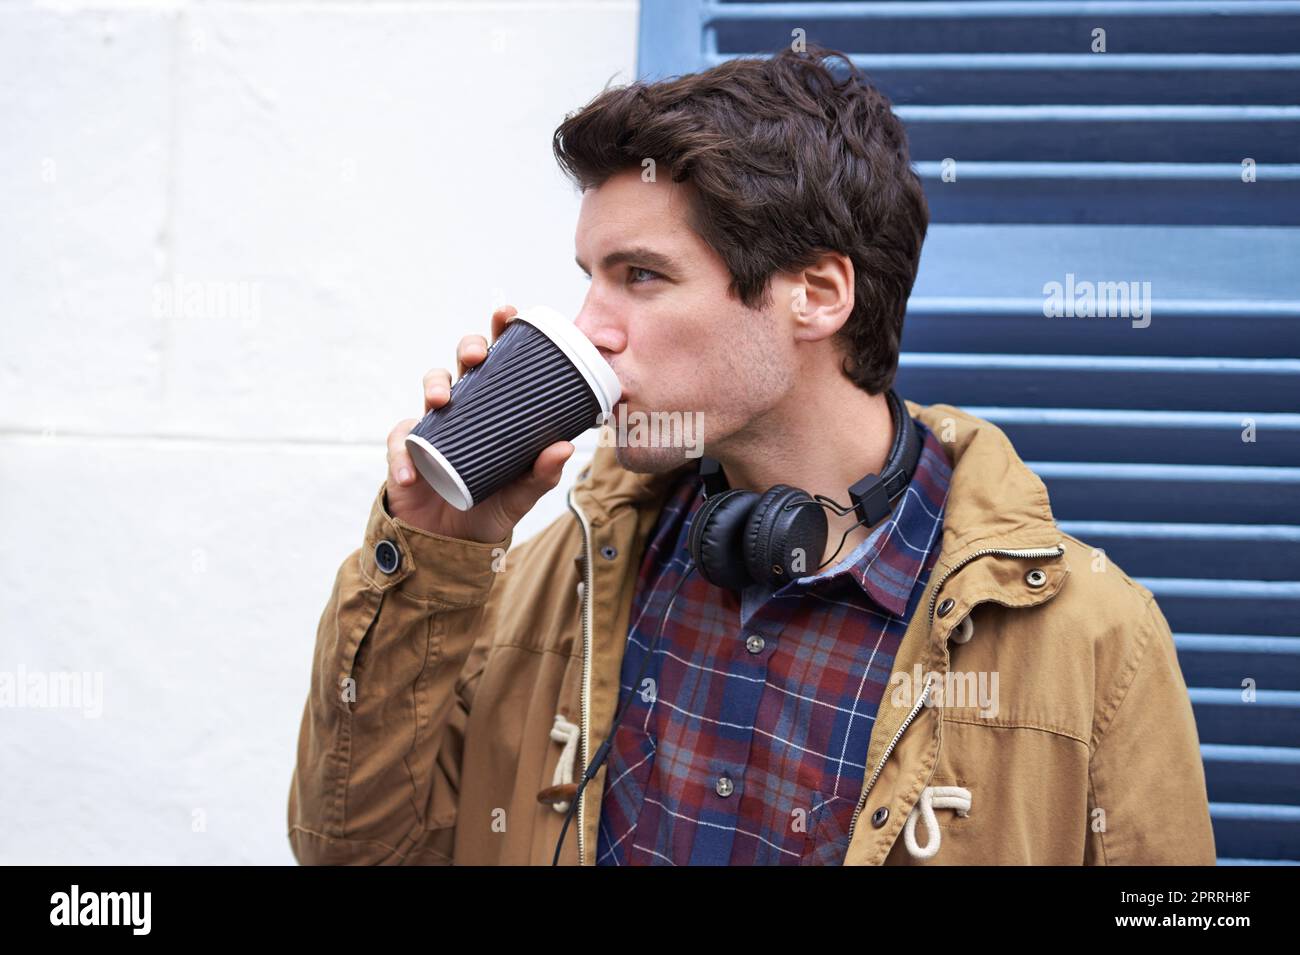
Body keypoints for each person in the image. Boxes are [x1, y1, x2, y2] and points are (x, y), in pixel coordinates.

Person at [286, 44, 1215, 865]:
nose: (588, 329)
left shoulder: (1094, 641)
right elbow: (355, 849)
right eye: (589, 279)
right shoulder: (557, 570)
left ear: (815, 293)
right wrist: (437, 551)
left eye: (640, 276)